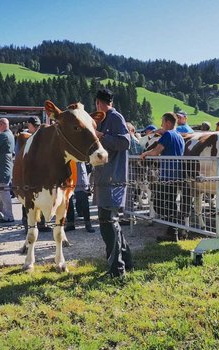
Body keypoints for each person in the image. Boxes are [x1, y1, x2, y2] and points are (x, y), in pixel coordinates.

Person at [92, 88, 133, 278]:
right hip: (105, 179)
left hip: (113, 180)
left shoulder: (115, 117)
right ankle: (127, 262)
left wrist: (101, 136)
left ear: (99, 103)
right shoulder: (104, 118)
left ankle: (117, 270)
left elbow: (125, 142)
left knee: (109, 224)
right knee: (109, 223)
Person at [140, 112, 186, 241]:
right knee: (171, 202)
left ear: (168, 123)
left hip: (167, 174)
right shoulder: (179, 136)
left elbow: (156, 151)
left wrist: (145, 154)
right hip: (177, 173)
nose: (161, 124)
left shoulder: (167, 135)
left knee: (159, 202)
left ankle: (174, 228)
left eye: (162, 121)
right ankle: (173, 231)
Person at [19, 116, 52, 232]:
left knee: (39, 199)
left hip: (39, 174)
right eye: (35, 125)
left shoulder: (39, 138)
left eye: (36, 125)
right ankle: (29, 224)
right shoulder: (25, 138)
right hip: (30, 174)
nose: (36, 127)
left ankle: (41, 224)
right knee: (28, 200)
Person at [65, 162, 95, 233]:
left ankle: (88, 223)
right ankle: (70, 223)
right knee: (68, 201)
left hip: (80, 174)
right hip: (67, 174)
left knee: (83, 200)